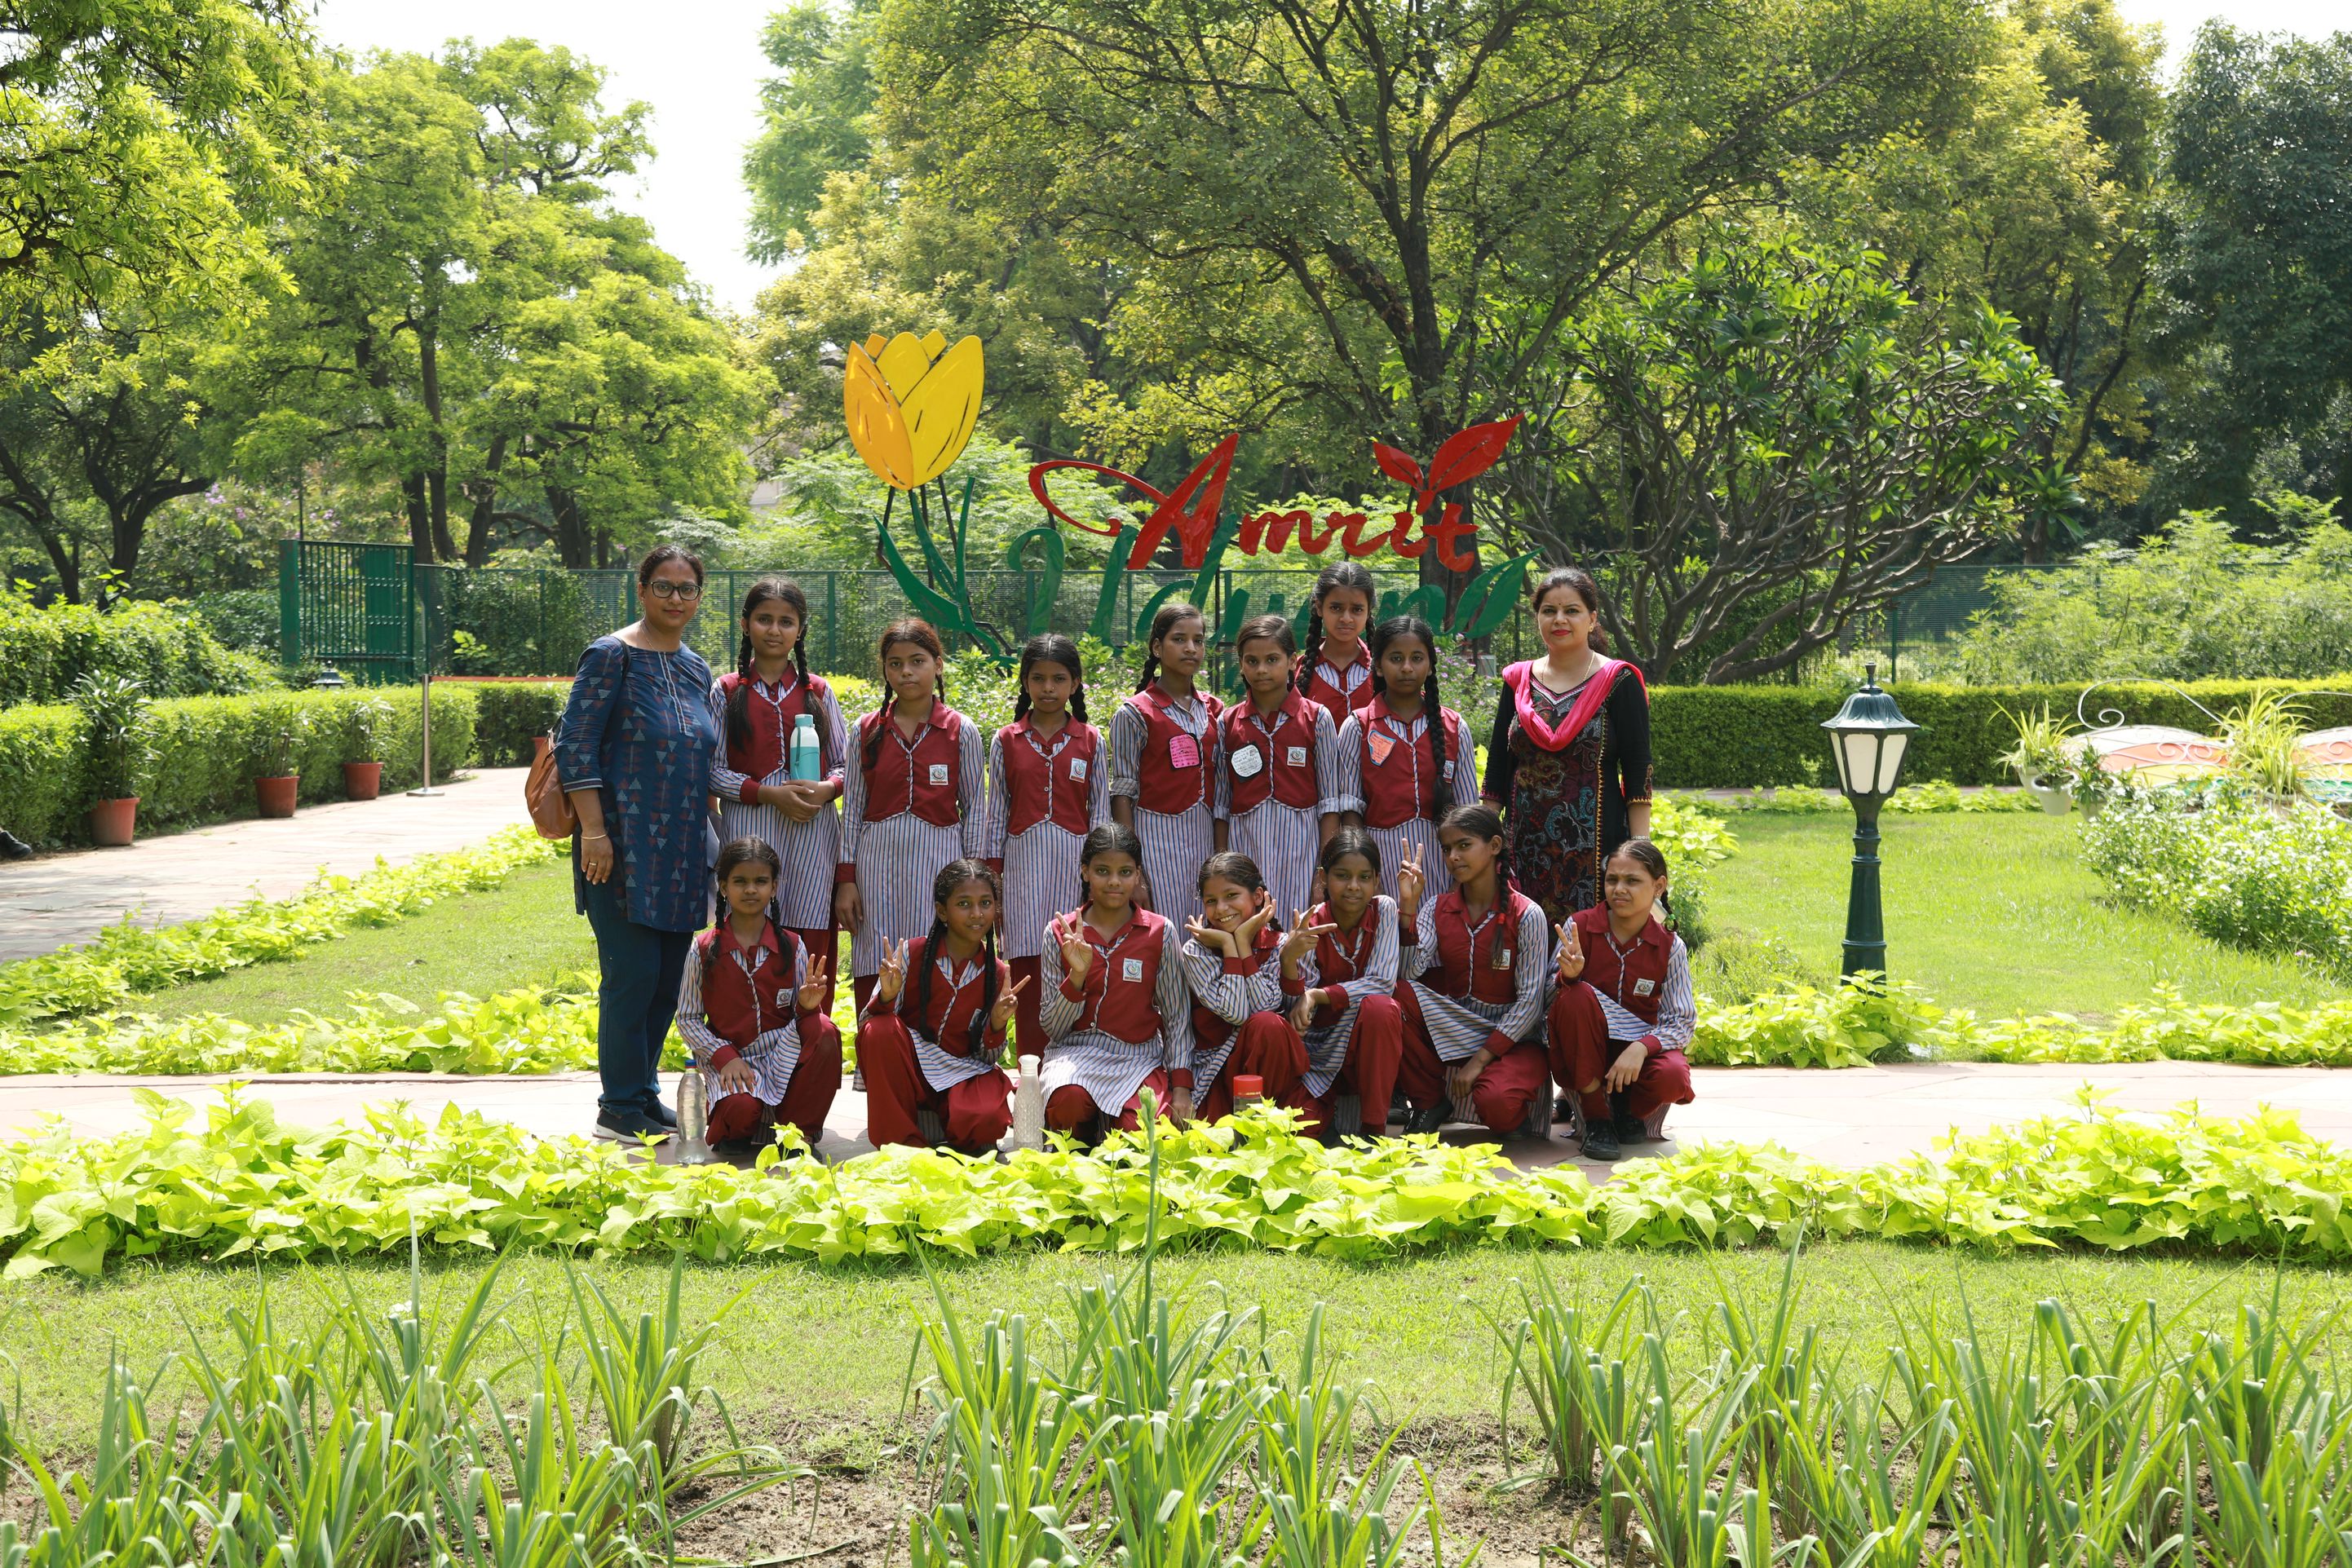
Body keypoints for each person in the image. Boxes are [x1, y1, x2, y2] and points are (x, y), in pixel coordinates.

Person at [556, 544, 721, 1142]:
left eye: (687, 588)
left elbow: (703, 758)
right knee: (631, 973)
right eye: (664, 586)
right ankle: (617, 1105)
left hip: (682, 848)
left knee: (667, 978)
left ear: (698, 598)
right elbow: (576, 745)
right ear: (642, 590)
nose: (676, 598)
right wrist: (595, 832)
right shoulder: (611, 655)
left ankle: (643, 1093)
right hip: (621, 844)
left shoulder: (695, 668)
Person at [1483, 566, 1653, 925]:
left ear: (1592, 619)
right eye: (1549, 610)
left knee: (1588, 940)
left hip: (1595, 845)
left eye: (1571, 610)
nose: (1559, 619)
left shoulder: (1618, 681)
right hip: (1523, 844)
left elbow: (1638, 772)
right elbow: (1498, 767)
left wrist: (1640, 852)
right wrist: (1484, 839)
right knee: (1523, 935)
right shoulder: (1518, 681)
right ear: (1538, 618)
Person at [710, 577, 848, 1008]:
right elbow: (712, 772)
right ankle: (750, 1032)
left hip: (812, 833)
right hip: (750, 829)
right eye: (764, 619)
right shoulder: (726, 690)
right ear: (745, 624)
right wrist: (768, 794)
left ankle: (812, 1032)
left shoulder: (818, 691)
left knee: (812, 927)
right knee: (750, 925)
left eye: (786, 622)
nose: (774, 630)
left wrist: (826, 789)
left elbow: (847, 765)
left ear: (800, 629)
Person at [834, 619, 986, 1013]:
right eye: (895, 663)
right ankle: (875, 1042)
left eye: (917, 661)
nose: (906, 672)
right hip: (876, 864)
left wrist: (973, 880)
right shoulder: (865, 730)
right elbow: (853, 810)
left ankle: (927, 1047)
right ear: (885, 670)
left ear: (938, 664)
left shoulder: (961, 730)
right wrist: (847, 879)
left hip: (941, 862)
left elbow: (975, 811)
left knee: (931, 949)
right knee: (876, 952)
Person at [676, 837, 842, 1157]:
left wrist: (807, 1007)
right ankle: (739, 1126)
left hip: (782, 1052)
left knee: (824, 1029)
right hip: (731, 1056)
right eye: (740, 881)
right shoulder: (703, 948)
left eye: (760, 882)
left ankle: (798, 1134)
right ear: (724, 887)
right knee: (740, 1112)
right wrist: (724, 1056)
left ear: (774, 888)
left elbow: (803, 1020)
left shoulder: (792, 945)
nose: (751, 890)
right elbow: (687, 1018)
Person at [1395, 805, 1553, 1138]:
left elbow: (1530, 1005)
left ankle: (1515, 1105)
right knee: (1396, 995)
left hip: (1516, 1036)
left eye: (1464, 845)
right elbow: (1409, 972)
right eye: (1447, 849)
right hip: (1457, 1024)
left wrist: (1480, 1060)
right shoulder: (1436, 907)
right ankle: (1429, 1102)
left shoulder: (1528, 914)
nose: (1453, 857)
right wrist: (1408, 909)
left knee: (1498, 1105)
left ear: (1494, 846)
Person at [982, 634, 1105, 1059]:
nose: (1048, 688)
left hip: (1075, 868)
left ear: (1075, 683)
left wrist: (1097, 875)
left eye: (1059, 679)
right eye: (1038, 679)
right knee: (1028, 964)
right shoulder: (1006, 740)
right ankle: (1031, 1068)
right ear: (1025, 682)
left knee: (1074, 959)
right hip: (1021, 871)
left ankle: (1072, 1066)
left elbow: (1100, 812)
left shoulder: (1090, 740)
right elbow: (995, 814)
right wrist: (993, 882)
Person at [1038, 823, 1195, 1139]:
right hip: (1074, 1054)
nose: (1114, 881)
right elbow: (1053, 1028)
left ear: (1138, 875)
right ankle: (1087, 1137)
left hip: (1138, 1057)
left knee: (1143, 1133)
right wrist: (1077, 977)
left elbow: (1177, 1016)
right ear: (1085, 872)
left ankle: (1108, 1125)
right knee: (1068, 1104)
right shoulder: (1060, 933)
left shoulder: (1160, 932)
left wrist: (1181, 1087)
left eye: (1125, 872)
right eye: (1102, 871)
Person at [858, 859, 1024, 1155]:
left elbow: (987, 1057)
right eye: (964, 904)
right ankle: (902, 1145)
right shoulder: (912, 953)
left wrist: (997, 1024)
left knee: (987, 1121)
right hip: (911, 1069)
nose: (977, 913)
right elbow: (865, 1026)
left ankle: (934, 1124)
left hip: (961, 1072)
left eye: (986, 903)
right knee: (879, 1029)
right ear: (942, 911)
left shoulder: (997, 974)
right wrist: (887, 997)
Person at [1547, 838, 1695, 1162]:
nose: (1619, 889)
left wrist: (1641, 1048)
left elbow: (1682, 1021)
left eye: (1632, 881)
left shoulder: (1670, 946)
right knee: (1576, 996)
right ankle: (1597, 1118)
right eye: (1612, 879)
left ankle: (1629, 1111)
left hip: (1637, 1058)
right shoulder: (1579, 927)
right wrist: (1569, 977)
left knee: (1673, 1076)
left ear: (1658, 886)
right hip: (1584, 1053)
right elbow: (1548, 1002)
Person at [1275, 829, 1410, 1142]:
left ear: (1377, 880)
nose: (1353, 886)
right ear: (1323, 878)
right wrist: (1289, 961)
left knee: (1382, 1008)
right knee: (1304, 1133)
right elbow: (1296, 1010)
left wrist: (1318, 995)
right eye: (1342, 876)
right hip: (1319, 1052)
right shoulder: (1311, 924)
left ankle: (1374, 1132)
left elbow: (1382, 982)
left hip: (1365, 1047)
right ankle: (1326, 1115)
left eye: (1364, 877)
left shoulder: (1384, 909)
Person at [1335, 615, 1479, 903]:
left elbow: (1468, 812)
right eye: (1396, 658)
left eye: (1417, 658)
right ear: (1378, 666)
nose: (1407, 668)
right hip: (1378, 862)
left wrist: (1461, 882)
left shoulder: (1454, 727)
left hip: (1443, 863)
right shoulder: (1358, 726)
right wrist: (1365, 875)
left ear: (1430, 665)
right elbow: (1350, 810)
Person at [1214, 614, 1343, 921]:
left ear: (1292, 662)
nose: (1261, 669)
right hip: (1245, 843)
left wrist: (1323, 870)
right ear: (1241, 664)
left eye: (1272, 659)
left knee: (1298, 924)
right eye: (1252, 661)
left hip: (1302, 847)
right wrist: (1220, 865)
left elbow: (1330, 803)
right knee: (1246, 925)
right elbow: (1221, 803)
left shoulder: (1317, 718)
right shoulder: (1228, 722)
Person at [1109, 602, 1221, 926]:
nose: (1191, 648)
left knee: (1207, 928)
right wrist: (1133, 868)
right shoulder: (1135, 713)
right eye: (1179, 639)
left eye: (1198, 640)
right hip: (1156, 840)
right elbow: (1122, 792)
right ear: (1157, 647)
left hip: (1204, 836)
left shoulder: (1215, 709)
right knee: (1165, 928)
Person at [1178, 852, 1298, 1123]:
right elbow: (1235, 1013)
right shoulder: (1195, 951)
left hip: (1269, 1072)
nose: (1221, 909)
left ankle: (1262, 1122)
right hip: (1216, 1067)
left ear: (1258, 897)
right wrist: (1229, 946)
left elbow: (1264, 1008)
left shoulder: (1279, 944)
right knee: (1214, 1141)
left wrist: (1242, 944)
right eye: (1211, 901)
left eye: (1231, 896)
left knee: (1268, 1024)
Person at [1295, 561, 1377, 722]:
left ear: (1368, 612)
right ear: (1319, 607)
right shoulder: (1296, 672)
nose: (1346, 618)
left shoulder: (1383, 670)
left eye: (1357, 610)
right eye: (1336, 608)